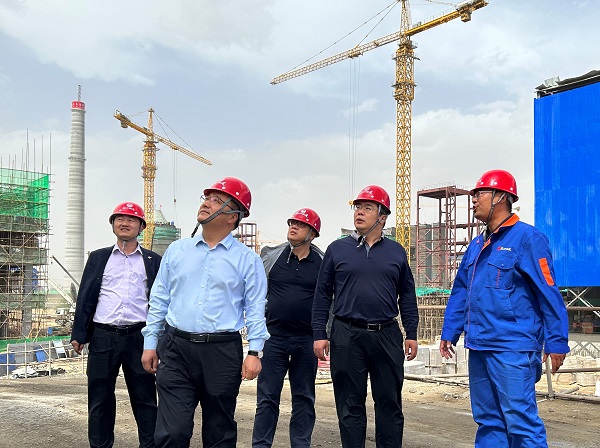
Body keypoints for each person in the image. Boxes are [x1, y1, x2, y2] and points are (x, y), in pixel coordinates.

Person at [439, 169, 570, 448]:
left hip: (513, 347)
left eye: (480, 193)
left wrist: (557, 342)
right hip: (479, 345)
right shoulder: (477, 245)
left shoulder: (528, 239)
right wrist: (450, 331)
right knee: (488, 421)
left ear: (500, 196)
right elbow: (461, 290)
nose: (474, 199)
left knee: (521, 422)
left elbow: (548, 292)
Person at [141, 176, 269, 448]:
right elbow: (159, 299)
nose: (207, 203)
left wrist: (254, 352)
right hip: (175, 348)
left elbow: (255, 308)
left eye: (217, 200)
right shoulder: (177, 251)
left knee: (218, 432)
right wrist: (150, 343)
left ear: (233, 217)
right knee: (172, 432)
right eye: (207, 198)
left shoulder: (247, 260)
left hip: (221, 352)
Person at [312, 185, 419, 448]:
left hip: (387, 334)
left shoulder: (396, 252)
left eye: (367, 208)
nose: (359, 212)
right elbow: (322, 294)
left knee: (389, 403)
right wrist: (319, 333)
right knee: (349, 404)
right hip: (346, 334)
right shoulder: (337, 249)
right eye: (357, 207)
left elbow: (407, 294)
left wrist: (412, 333)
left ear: (382, 216)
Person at [70, 202, 161, 448]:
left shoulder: (153, 260)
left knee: (145, 398)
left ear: (141, 227)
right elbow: (86, 296)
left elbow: (161, 301)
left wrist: (158, 341)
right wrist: (79, 333)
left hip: (139, 337)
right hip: (103, 336)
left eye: (131, 219)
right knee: (99, 399)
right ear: (112, 224)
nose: (125, 223)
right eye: (119, 218)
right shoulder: (98, 257)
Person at [252, 208, 324, 448]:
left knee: (303, 398)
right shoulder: (272, 256)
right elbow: (257, 293)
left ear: (312, 234)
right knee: (267, 398)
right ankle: (261, 445)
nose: (293, 226)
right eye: (292, 222)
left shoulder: (322, 263)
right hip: (274, 337)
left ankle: (301, 444)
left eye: (300, 224)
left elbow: (330, 300)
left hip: (307, 339)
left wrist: (324, 334)